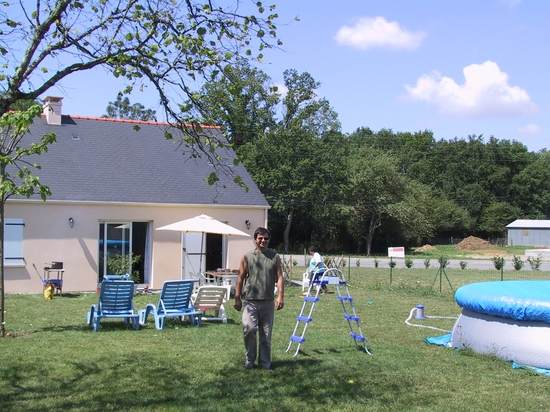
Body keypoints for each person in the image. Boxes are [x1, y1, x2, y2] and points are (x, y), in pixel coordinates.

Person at [234, 227, 284, 371]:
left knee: (266, 335)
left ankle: (265, 363)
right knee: (249, 329)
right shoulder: (247, 257)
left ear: (269, 240)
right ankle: (250, 359)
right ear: (255, 240)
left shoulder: (274, 257)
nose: (263, 241)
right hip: (250, 301)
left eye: (265, 238)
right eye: (260, 238)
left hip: (268, 301)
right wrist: (237, 297)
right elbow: (240, 278)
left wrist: (280, 296)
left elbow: (279, 277)